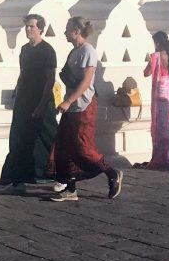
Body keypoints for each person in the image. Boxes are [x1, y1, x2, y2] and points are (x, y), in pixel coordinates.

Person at [48, 17, 123, 202]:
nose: (64, 33)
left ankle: (112, 173)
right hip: (72, 105)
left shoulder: (88, 51)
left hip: (84, 104)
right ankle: (70, 189)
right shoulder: (74, 52)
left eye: (67, 29)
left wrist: (69, 101)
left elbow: (86, 82)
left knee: (83, 147)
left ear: (76, 31)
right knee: (65, 147)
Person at [0, 14, 62, 193]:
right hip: (24, 101)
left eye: (32, 27)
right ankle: (18, 181)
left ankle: (61, 176)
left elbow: (50, 80)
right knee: (19, 139)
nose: (28, 29)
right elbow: (23, 73)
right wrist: (17, 93)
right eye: (27, 26)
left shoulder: (48, 51)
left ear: (40, 28)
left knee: (47, 137)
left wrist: (42, 105)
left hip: (42, 100)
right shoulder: (24, 50)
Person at [137, 31, 169, 169]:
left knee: (160, 127)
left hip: (160, 94)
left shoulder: (156, 56)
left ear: (156, 42)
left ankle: (160, 158)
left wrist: (153, 60)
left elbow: (146, 73)